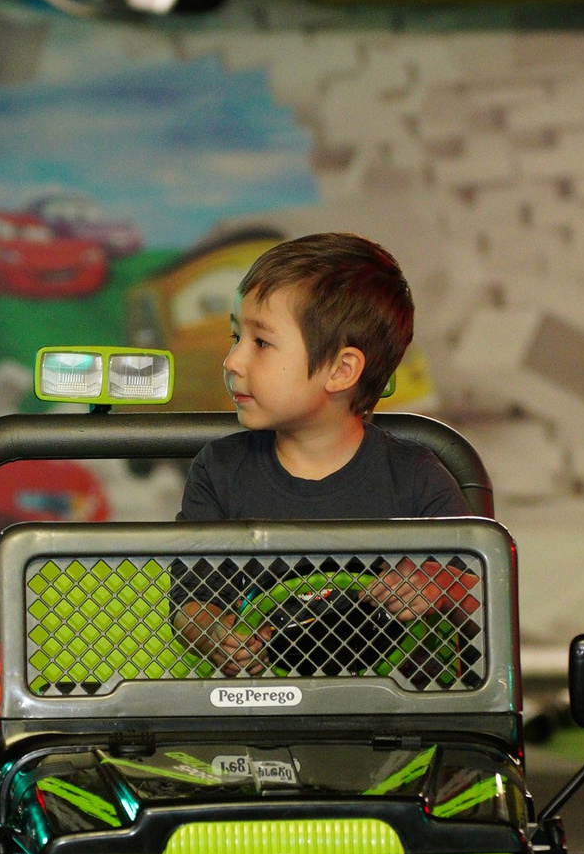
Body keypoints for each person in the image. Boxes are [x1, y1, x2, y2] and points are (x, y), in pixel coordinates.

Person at [171, 231, 470, 681]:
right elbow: (191, 600)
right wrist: (215, 633)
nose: (232, 361)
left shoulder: (415, 476)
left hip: (392, 708)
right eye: (236, 337)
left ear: (341, 370)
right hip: (260, 704)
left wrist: (436, 582)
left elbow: (475, 584)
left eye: (260, 343)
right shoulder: (219, 470)